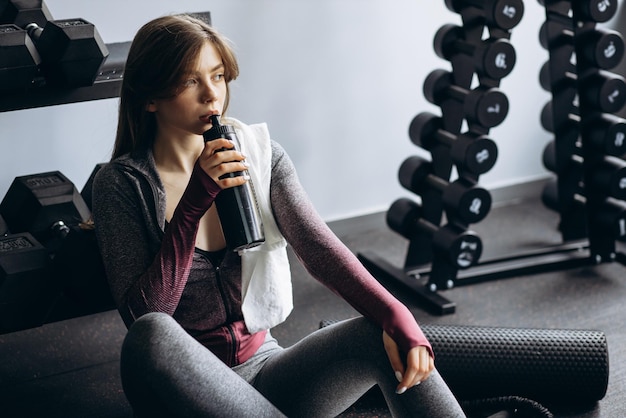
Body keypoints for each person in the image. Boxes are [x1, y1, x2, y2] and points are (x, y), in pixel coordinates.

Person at [92, 13, 467, 418]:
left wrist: (397, 313)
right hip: (182, 386)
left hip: (266, 370)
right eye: (189, 81)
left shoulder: (260, 155)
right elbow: (146, 315)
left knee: (376, 331)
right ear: (150, 97)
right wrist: (193, 205)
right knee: (152, 333)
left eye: (218, 76)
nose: (211, 96)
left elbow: (318, 248)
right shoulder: (120, 184)